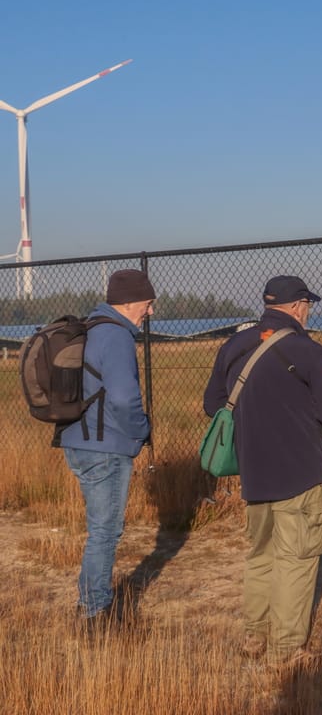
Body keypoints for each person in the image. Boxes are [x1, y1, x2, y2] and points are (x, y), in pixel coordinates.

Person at [203, 275, 322, 665]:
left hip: (253, 472)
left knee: (260, 555)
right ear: (299, 305)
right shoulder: (310, 352)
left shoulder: (235, 345)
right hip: (300, 473)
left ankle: (254, 637)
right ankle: (286, 651)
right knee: (297, 558)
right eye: (308, 306)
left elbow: (213, 404)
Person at [56, 269, 156, 627]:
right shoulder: (116, 336)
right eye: (147, 304)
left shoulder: (94, 328)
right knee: (105, 532)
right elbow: (124, 398)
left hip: (79, 441)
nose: (150, 312)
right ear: (129, 303)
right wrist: (142, 431)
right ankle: (94, 612)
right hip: (105, 447)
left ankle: (90, 604)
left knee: (99, 529)